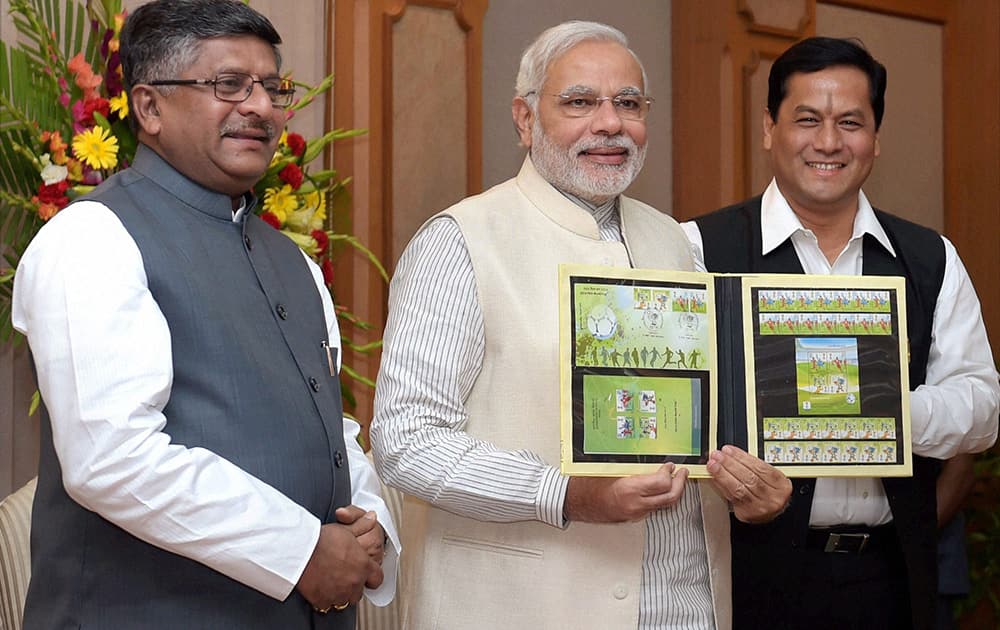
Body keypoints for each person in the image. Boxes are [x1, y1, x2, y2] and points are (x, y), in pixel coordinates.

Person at [371, 21, 792, 630]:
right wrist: (567, 494)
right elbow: (406, 441)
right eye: (579, 102)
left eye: (628, 104)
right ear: (524, 119)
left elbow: (715, 418)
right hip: (524, 606)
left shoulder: (676, 242)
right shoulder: (460, 242)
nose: (610, 123)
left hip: (685, 601)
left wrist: (754, 487)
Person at [11, 1, 398, 627]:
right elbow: (111, 457)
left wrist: (370, 527)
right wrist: (299, 551)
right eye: (229, 85)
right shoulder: (92, 238)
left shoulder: (293, 263)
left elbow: (329, 427)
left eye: (273, 88)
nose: (261, 107)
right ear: (150, 107)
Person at [682, 36, 1000, 630]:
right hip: (740, 577)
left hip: (891, 580)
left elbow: (982, 406)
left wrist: (877, 415)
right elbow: (676, 417)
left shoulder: (930, 258)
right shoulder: (698, 249)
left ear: (876, 137)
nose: (829, 142)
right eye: (807, 120)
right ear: (769, 129)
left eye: (850, 122)